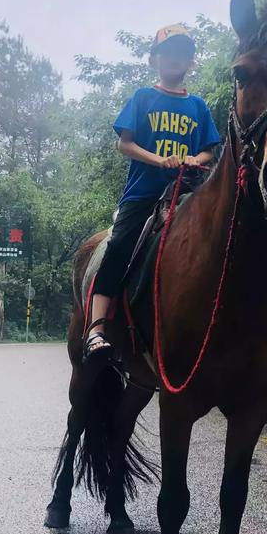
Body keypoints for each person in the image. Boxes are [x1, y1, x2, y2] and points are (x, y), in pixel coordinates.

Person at [83, 23, 221, 362]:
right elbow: (124, 143)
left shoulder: (199, 107)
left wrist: (191, 159)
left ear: (191, 61)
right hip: (143, 194)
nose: (176, 59)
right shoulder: (143, 98)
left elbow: (209, 152)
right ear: (154, 59)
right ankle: (96, 329)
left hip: (188, 193)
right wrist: (160, 160)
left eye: (183, 53)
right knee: (119, 245)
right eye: (169, 52)